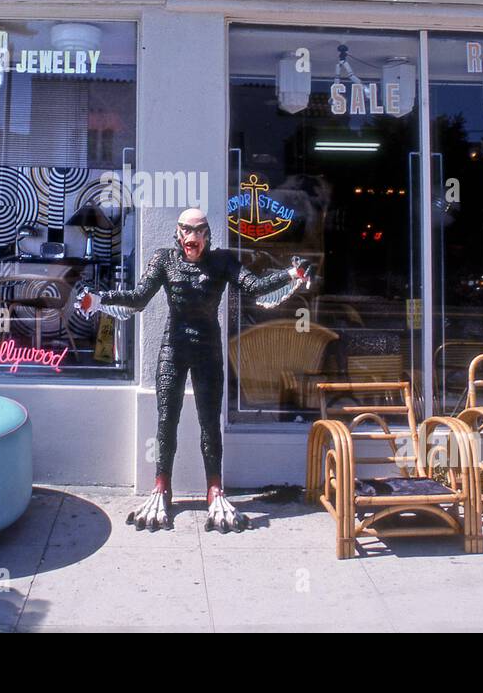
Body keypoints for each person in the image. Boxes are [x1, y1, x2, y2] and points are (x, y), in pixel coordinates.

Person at [77, 207, 313, 532]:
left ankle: (214, 490)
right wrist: (100, 300)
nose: (193, 237)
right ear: (177, 233)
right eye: (187, 230)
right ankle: (161, 487)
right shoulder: (164, 260)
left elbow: (255, 286)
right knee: (165, 420)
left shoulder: (223, 262)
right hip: (172, 348)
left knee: (209, 422)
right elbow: (138, 297)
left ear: (208, 234)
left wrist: (290, 275)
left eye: (199, 230)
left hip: (208, 350)